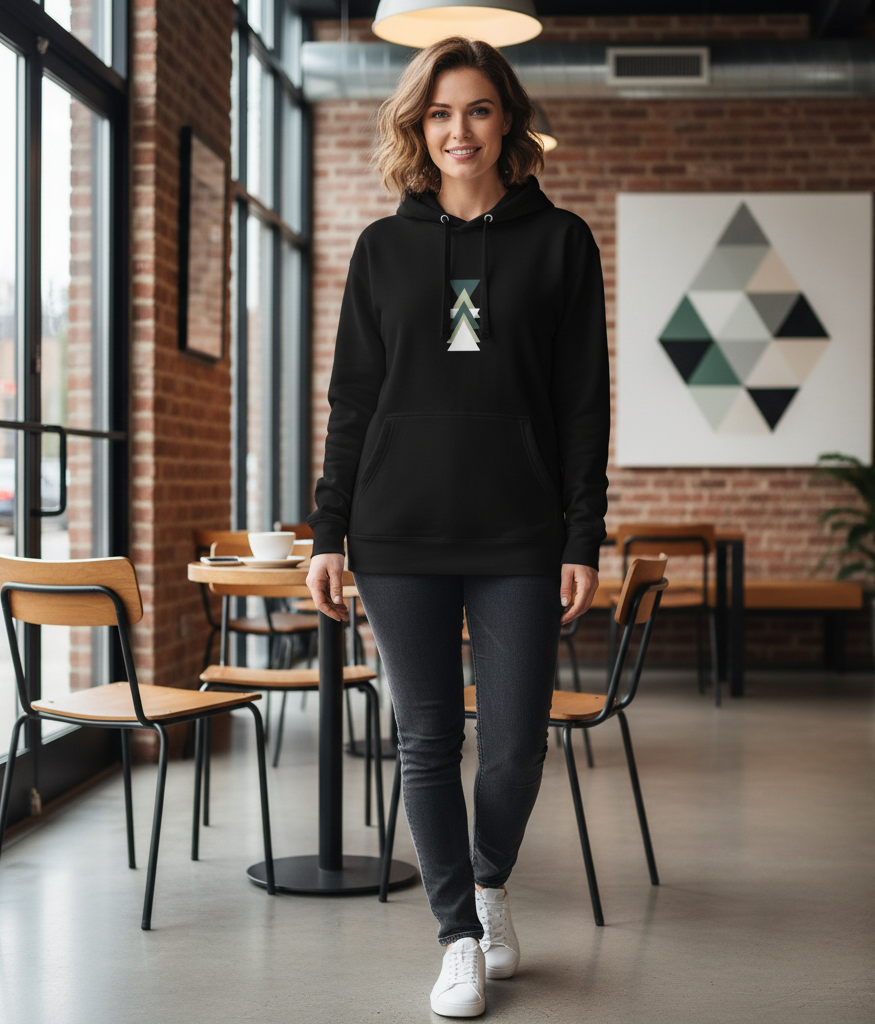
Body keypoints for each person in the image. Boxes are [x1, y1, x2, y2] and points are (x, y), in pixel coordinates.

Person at [306, 36, 609, 1019]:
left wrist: (581, 536)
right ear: (416, 126)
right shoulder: (381, 250)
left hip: (520, 530)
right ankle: (457, 937)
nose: (458, 130)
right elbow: (352, 399)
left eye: (477, 109)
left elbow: (581, 405)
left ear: (507, 120)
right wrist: (326, 532)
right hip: (397, 533)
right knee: (427, 740)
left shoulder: (561, 244)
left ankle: (486, 882)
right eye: (439, 113)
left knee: (516, 745)